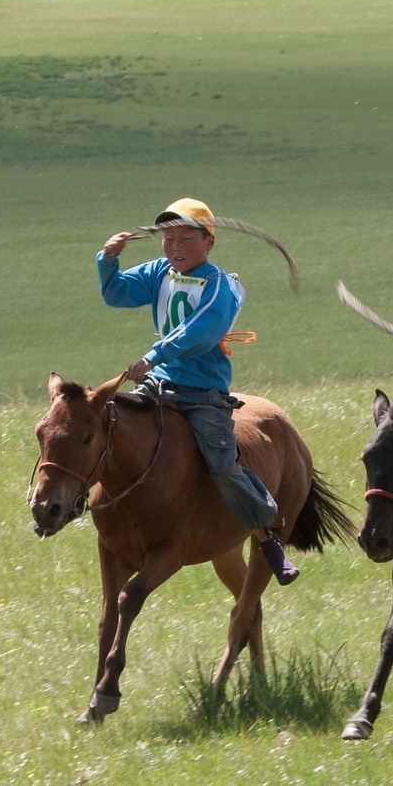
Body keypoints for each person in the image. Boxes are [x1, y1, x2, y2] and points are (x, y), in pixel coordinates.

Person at [98, 197, 299, 582]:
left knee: (223, 463)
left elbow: (200, 331)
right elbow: (117, 293)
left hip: (201, 391)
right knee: (109, 430)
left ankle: (266, 531)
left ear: (209, 242)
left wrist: (154, 355)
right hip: (158, 385)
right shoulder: (159, 272)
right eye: (169, 238)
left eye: (185, 239)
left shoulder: (221, 284)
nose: (175, 247)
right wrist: (108, 260)